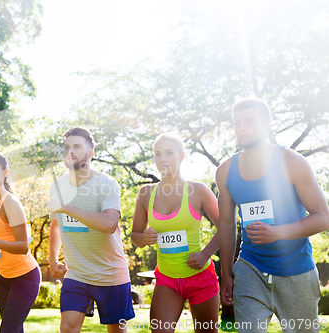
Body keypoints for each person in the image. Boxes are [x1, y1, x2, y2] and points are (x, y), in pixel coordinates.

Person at [216, 97, 329, 332]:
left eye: (248, 121)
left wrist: (278, 233)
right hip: (250, 268)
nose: (241, 128)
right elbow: (226, 224)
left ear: (267, 124)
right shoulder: (225, 171)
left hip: (296, 270)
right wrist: (226, 274)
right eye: (237, 123)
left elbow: (322, 217)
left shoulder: (292, 162)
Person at [47, 126, 135, 333]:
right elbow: (56, 224)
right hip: (76, 273)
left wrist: (66, 207)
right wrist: (52, 260)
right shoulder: (57, 186)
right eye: (67, 147)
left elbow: (108, 224)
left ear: (90, 153)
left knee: (117, 330)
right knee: (67, 328)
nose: (71, 151)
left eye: (77, 146)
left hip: (110, 274)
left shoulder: (107, 184)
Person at [131, 133, 220, 333]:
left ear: (181, 156)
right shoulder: (146, 194)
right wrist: (144, 238)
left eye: (169, 153)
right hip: (167, 280)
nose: (162, 159)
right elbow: (135, 236)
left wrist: (205, 254)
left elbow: (226, 227)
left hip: (200, 277)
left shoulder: (199, 190)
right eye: (157, 154)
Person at [0, 152, 41, 333]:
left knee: (8, 330)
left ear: (5, 172)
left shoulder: (11, 203)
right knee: (14, 329)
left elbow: (22, 246)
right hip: (4, 276)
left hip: (25, 276)